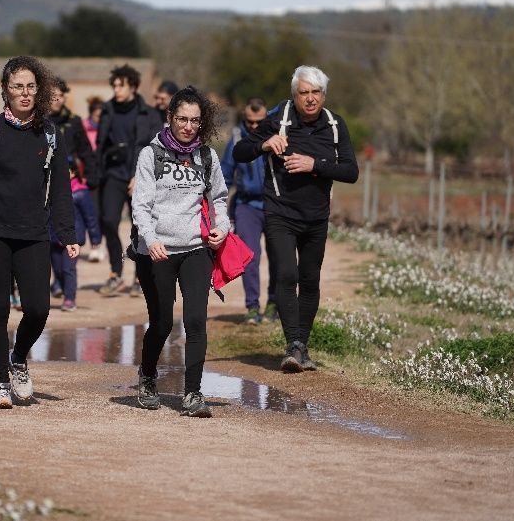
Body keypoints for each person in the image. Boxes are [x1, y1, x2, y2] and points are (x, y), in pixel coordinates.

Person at [0, 56, 78, 409]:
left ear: (39, 91)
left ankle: (19, 357)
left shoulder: (50, 134)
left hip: (33, 231)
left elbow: (61, 190)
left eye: (30, 87)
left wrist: (67, 234)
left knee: (38, 307)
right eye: (17, 86)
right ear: (5, 91)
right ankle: (1, 383)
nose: (24, 93)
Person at [233, 66, 358, 372]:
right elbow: (239, 151)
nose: (311, 99)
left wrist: (315, 164)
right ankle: (293, 346)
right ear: (295, 95)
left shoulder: (335, 124)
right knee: (287, 275)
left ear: (324, 95)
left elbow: (351, 172)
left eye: (316, 92)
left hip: (316, 216)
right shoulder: (278, 119)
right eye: (304, 93)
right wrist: (264, 143)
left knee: (310, 279)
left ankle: (302, 345)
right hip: (280, 212)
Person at [131, 85, 230, 418]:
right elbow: (140, 205)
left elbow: (218, 199)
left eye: (195, 121)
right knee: (161, 323)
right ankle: (147, 376)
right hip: (155, 251)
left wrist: (222, 227)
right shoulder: (151, 155)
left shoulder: (206, 156)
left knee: (196, 321)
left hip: (195, 249)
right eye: (183, 119)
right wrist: (151, 237)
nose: (188, 127)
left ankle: (192, 393)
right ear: (170, 118)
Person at [96, 64, 162, 297]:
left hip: (139, 176)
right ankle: (116, 273)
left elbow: (153, 147)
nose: (116, 90)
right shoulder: (108, 110)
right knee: (108, 221)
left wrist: (140, 176)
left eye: (120, 85)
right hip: (113, 174)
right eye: (114, 85)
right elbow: (101, 144)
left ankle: (139, 277)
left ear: (132, 86)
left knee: (140, 227)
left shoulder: (149, 113)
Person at [220, 97, 277, 325]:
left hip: (275, 205)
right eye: (249, 121)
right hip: (246, 206)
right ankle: (252, 307)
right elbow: (225, 174)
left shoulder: (277, 138)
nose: (254, 126)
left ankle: (274, 304)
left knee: (278, 258)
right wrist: (219, 205)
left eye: (259, 121)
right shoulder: (236, 139)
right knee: (250, 258)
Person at [50, 160, 102, 312]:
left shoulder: (80, 192)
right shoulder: (51, 191)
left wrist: (95, 238)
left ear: (73, 173)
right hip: (53, 237)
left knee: (68, 269)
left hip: (73, 238)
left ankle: (69, 298)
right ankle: (59, 286)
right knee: (58, 269)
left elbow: (90, 217)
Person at [49, 78, 98, 187]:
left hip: (71, 180)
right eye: (53, 95)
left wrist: (90, 178)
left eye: (61, 95)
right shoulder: (36, 121)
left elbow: (86, 151)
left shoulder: (74, 121)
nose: (57, 99)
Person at [82, 95, 104, 263]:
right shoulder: (82, 128)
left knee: (102, 213)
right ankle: (95, 246)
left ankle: (97, 244)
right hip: (88, 176)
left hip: (104, 173)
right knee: (92, 212)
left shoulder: (107, 129)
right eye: (98, 116)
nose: (100, 119)